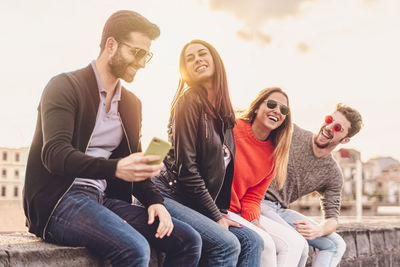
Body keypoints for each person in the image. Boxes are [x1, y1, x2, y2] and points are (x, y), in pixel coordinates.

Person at [23, 10, 201, 267]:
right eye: (137, 53)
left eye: (146, 56)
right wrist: (115, 168)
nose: (142, 63)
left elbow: (135, 166)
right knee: (135, 249)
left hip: (103, 200)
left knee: (188, 240)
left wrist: (155, 202)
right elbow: (55, 154)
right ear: (111, 45)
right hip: (60, 201)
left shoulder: (130, 104)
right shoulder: (64, 86)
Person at [151, 39, 263, 267]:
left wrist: (221, 212)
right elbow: (188, 171)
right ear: (185, 71)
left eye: (202, 54)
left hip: (194, 201)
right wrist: (216, 217)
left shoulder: (224, 116)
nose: (197, 60)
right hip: (169, 194)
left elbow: (223, 173)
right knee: (226, 244)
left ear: (214, 60)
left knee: (253, 241)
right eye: (189, 58)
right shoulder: (188, 102)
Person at [261, 103, 363, 267]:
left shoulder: (332, 173)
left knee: (336, 245)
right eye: (329, 120)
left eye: (337, 128)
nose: (329, 127)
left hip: (279, 210)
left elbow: (332, 218)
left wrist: (320, 230)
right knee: (299, 246)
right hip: (256, 201)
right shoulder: (292, 133)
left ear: (345, 140)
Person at [227, 87, 307, 267]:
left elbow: (253, 198)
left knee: (296, 243)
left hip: (238, 211)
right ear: (256, 107)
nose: (277, 111)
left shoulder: (274, 154)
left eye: (283, 110)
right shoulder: (232, 128)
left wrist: (255, 222)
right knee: (267, 245)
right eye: (271, 104)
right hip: (219, 207)